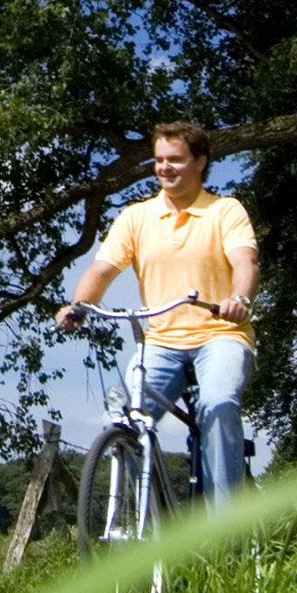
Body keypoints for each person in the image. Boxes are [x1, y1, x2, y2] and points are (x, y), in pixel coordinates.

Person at [55, 121, 259, 507]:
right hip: (163, 342)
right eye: (159, 160)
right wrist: (78, 306)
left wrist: (240, 300)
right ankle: (153, 524)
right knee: (123, 419)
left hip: (221, 335)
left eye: (175, 160)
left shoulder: (224, 211)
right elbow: (102, 269)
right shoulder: (137, 217)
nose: (164, 167)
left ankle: (225, 534)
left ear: (200, 162)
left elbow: (245, 261)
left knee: (216, 403)